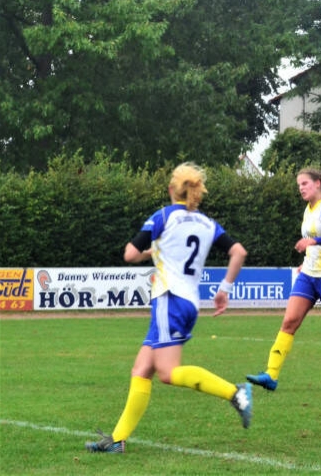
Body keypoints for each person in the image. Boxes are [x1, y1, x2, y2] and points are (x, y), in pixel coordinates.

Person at [85, 162, 252, 454]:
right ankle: (118, 440)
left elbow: (130, 254)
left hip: (169, 299)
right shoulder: (207, 224)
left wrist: (150, 251)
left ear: (171, 189)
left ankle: (235, 393)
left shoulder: (164, 216)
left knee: (167, 372)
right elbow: (238, 251)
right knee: (141, 369)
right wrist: (224, 289)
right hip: (188, 301)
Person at [246, 168, 321, 391]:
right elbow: (313, 242)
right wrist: (308, 260)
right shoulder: (308, 209)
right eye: (299, 185)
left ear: (318, 183)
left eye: (305, 183)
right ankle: (271, 374)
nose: (301, 188)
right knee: (289, 322)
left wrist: (313, 243)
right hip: (309, 274)